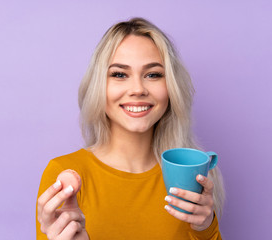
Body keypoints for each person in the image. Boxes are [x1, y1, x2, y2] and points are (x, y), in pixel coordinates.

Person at [36, 17, 225, 240]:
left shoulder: (195, 175)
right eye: (119, 74)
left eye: (153, 74)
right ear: (100, 86)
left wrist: (205, 227)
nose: (137, 89)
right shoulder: (63, 174)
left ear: (171, 86)